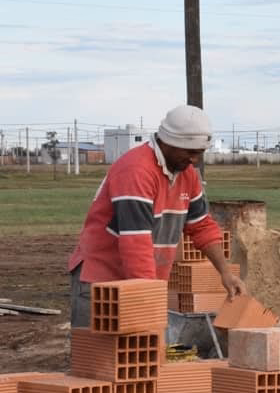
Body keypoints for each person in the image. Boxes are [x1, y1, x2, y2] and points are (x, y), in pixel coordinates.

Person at [68, 104, 246, 327]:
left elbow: (202, 227)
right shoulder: (137, 171)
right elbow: (136, 244)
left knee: (143, 355)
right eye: (189, 152)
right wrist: (149, 299)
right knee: (101, 357)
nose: (194, 160)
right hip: (102, 279)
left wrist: (225, 273)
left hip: (142, 279)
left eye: (199, 154)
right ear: (168, 142)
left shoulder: (187, 175)